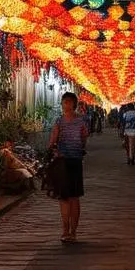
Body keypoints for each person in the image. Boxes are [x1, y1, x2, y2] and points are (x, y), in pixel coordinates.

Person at [49, 91, 88, 242]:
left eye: (69, 102)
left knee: (74, 197)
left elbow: (83, 137)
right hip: (63, 162)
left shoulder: (80, 121)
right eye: (64, 102)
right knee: (65, 198)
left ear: (74, 104)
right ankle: (65, 230)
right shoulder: (59, 121)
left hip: (74, 161)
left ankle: (73, 231)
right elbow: (53, 139)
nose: (66, 105)